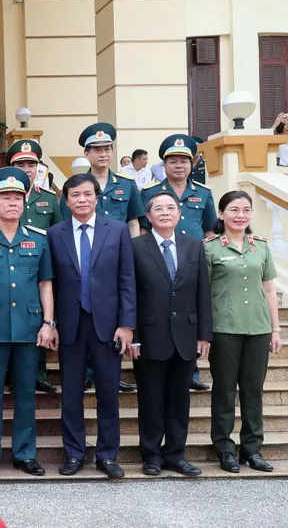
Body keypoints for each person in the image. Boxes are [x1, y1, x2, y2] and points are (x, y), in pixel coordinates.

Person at [0, 167, 56, 477]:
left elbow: (46, 283)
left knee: (26, 394)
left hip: (30, 327)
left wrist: (49, 322)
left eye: (18, 197)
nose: (13, 203)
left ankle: (25, 454)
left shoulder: (40, 239)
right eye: (5, 198)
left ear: (25, 202)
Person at [47, 173, 136, 479]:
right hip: (70, 326)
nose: (82, 200)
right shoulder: (54, 233)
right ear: (66, 200)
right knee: (70, 392)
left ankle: (107, 455)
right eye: (75, 195)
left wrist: (127, 324)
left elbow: (127, 280)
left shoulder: (118, 230)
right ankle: (74, 453)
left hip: (108, 326)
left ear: (97, 197)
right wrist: (52, 323)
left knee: (108, 392)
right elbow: (52, 283)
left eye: (87, 194)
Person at [129, 190, 211, 477]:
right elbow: (131, 294)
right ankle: (151, 454)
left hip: (187, 335)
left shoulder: (194, 246)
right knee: (150, 399)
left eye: (170, 208)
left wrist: (204, 334)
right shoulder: (136, 246)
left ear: (179, 214)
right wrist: (134, 334)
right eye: (158, 209)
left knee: (180, 399)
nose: (165, 212)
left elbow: (203, 292)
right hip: (149, 335)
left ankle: (176, 454)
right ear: (148, 216)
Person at [206, 191, 282, 473]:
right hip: (224, 328)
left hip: (259, 328)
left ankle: (252, 449)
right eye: (234, 210)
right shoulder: (210, 248)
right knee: (225, 391)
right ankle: (224, 449)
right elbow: (203, 293)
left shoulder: (260, 246)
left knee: (253, 391)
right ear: (222, 214)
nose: (241, 215)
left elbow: (269, 289)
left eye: (246, 210)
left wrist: (275, 329)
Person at [140, 135, 216, 391]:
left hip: (192, 262)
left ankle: (191, 370)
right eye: (173, 161)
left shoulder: (203, 193)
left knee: (189, 312)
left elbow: (210, 231)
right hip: (158, 260)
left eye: (184, 160)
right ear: (164, 165)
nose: (179, 166)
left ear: (192, 163)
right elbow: (142, 231)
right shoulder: (150, 193)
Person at [61, 123, 144, 238]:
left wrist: (134, 251)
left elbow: (133, 223)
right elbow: (66, 222)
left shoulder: (127, 183)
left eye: (107, 150)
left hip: (120, 246)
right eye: (98, 150)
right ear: (86, 154)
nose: (103, 155)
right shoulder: (74, 186)